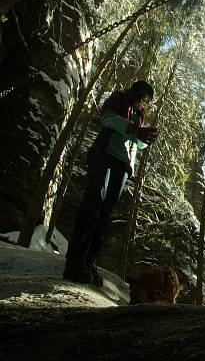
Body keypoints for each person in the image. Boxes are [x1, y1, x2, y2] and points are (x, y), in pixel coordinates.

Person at [63, 80, 158, 286]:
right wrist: (133, 128)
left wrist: (144, 138)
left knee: (105, 213)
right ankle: (74, 261)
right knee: (93, 202)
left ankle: (90, 261)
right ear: (135, 91)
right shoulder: (118, 98)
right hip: (104, 154)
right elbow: (106, 118)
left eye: (147, 99)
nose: (144, 100)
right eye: (143, 95)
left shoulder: (140, 115)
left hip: (123, 165)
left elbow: (137, 143)